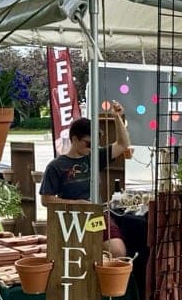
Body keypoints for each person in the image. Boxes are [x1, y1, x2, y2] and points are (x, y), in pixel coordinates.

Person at [40, 105, 132, 256]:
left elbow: (122, 144)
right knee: (84, 253)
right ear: (75, 139)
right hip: (71, 219)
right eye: (88, 143)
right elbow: (46, 199)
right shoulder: (56, 166)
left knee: (116, 251)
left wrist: (117, 117)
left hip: (94, 216)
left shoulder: (94, 157)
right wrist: (77, 204)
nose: (92, 147)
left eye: (94, 144)